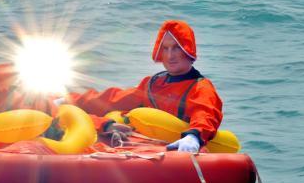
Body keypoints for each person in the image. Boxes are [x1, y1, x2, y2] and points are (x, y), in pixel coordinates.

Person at [63, 20, 223, 153]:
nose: (170, 56)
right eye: (165, 48)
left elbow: (206, 114)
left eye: (176, 48)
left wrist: (194, 136)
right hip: (141, 145)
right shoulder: (153, 84)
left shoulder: (201, 87)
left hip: (178, 150)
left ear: (188, 50)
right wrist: (69, 100)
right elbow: (112, 99)